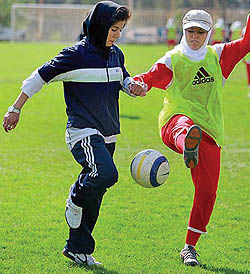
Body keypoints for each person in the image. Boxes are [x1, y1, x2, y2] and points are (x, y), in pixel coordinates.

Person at [2, 1, 145, 266]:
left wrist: (132, 85)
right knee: (105, 175)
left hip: (109, 133)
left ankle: (78, 249)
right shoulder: (75, 55)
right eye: (113, 29)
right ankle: (74, 197)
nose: (117, 35)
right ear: (100, 26)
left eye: (121, 29)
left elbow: (123, 78)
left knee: (96, 194)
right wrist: (15, 109)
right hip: (82, 132)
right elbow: (39, 77)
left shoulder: (116, 54)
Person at [130, 0, 250, 267]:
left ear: (209, 33)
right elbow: (148, 77)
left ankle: (189, 247)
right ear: (184, 31)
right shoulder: (173, 59)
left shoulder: (218, 55)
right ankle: (186, 144)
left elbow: (248, 42)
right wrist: (138, 85)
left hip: (210, 133)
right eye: (191, 31)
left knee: (207, 192)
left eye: (200, 32)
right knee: (184, 124)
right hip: (174, 125)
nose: (195, 36)